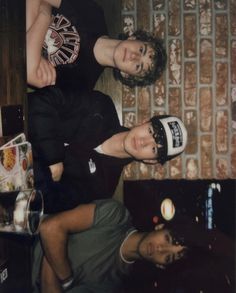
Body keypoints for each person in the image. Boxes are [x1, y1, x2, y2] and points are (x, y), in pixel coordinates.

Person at [28, 86, 188, 213]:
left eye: (153, 149)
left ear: (150, 161)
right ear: (144, 122)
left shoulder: (104, 185)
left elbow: (48, 201)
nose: (143, 142)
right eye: (151, 132)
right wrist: (53, 158)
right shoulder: (101, 106)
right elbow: (44, 101)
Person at [32, 199, 189, 293]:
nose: (161, 249)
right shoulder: (116, 217)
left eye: (168, 257)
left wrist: (54, 245)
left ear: (160, 266)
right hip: (23, 239)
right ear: (160, 227)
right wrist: (66, 278)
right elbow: (49, 228)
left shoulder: (109, 285)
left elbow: (52, 229)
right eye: (167, 239)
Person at [26, 0, 167, 90]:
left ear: (127, 75)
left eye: (138, 66)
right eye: (141, 50)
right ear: (133, 37)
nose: (134, 57)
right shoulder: (93, 14)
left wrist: (44, 14)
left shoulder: (83, 83)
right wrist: (33, 52)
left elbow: (30, 74)